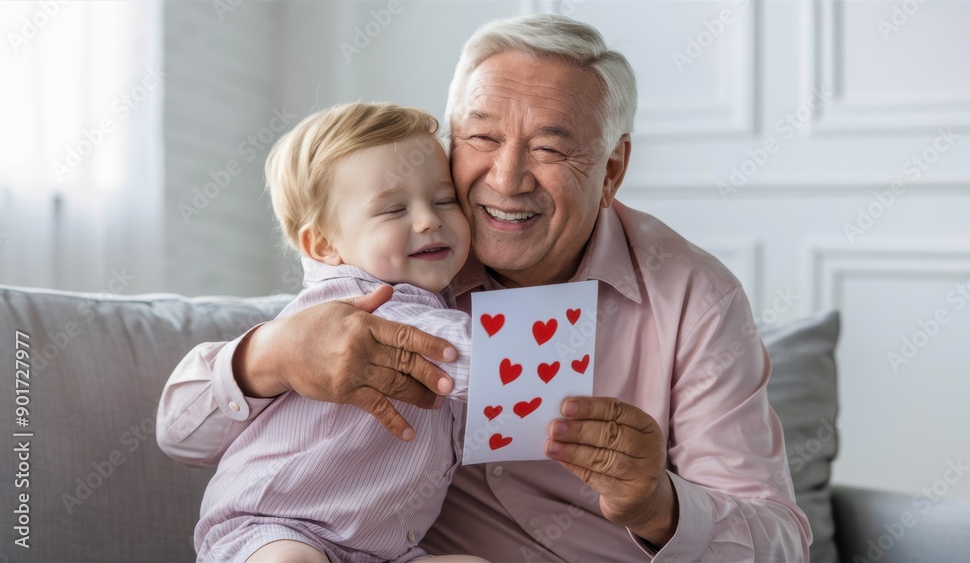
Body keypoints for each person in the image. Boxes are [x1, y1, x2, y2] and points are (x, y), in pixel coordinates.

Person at [158, 14, 812, 562]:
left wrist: (660, 503)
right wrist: (268, 355)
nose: (507, 178)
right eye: (481, 137)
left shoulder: (696, 298)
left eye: (550, 150)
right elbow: (187, 424)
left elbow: (781, 541)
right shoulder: (397, 263)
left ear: (612, 168)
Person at [187, 102, 488, 563]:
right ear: (324, 244)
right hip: (273, 526)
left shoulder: (436, 301)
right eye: (394, 208)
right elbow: (473, 358)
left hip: (383, 551)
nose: (429, 220)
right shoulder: (348, 303)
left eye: (444, 200)